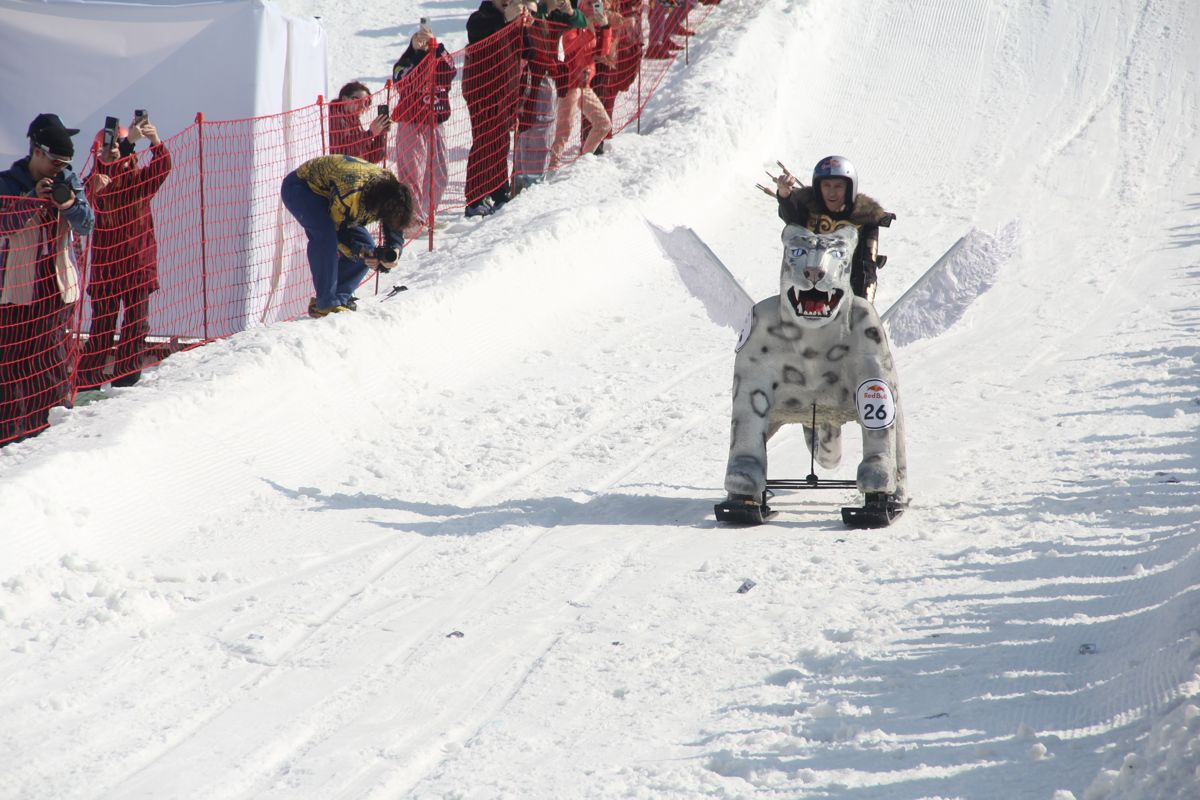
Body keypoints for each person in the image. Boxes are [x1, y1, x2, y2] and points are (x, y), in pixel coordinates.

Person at [0, 113, 94, 444]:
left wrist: (68, 203)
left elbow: (87, 224)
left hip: (56, 286)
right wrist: (30, 202)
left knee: (49, 359)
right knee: (10, 364)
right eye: (55, 161)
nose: (60, 168)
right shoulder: (7, 183)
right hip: (15, 289)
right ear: (37, 151)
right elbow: (3, 226)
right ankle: (9, 440)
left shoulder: (70, 181)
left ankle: (51, 436)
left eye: (66, 162)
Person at [79, 116, 172, 388]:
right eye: (110, 146)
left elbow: (162, 168)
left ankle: (125, 383)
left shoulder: (140, 180)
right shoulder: (97, 180)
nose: (116, 150)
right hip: (108, 268)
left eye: (119, 145)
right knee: (102, 330)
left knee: (136, 327)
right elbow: (105, 186)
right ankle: (87, 383)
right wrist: (130, 143)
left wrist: (155, 141)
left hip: (137, 265)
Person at [280, 154, 412, 317]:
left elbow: (393, 219)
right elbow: (336, 232)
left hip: (333, 198)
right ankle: (326, 303)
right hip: (302, 189)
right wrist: (361, 252)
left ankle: (339, 298)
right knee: (325, 236)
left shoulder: (390, 190)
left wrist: (395, 248)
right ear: (379, 206)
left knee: (368, 247)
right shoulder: (351, 193)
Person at [773, 155, 895, 301]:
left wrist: (863, 309)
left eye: (838, 186)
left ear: (849, 188)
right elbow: (792, 218)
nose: (831, 192)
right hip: (803, 292)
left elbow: (866, 269)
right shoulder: (808, 208)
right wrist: (785, 195)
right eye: (826, 185)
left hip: (842, 298)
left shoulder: (865, 218)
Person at [391, 20, 457, 234]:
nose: (422, 42)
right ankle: (411, 220)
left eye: (425, 38)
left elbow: (451, 71)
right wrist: (420, 55)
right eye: (417, 38)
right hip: (411, 123)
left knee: (440, 172)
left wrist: (437, 48)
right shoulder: (403, 64)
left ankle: (427, 215)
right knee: (412, 173)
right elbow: (408, 82)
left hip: (435, 123)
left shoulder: (439, 57)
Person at [462, 0, 526, 217]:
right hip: (482, 92)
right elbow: (476, 30)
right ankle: (474, 198)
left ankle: (500, 192)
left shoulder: (511, 21)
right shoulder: (480, 18)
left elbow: (530, 52)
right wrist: (505, 18)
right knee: (484, 142)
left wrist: (523, 24)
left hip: (505, 91)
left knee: (500, 142)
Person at [547, 0, 613, 171]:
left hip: (584, 85)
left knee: (603, 123)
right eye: (590, 4)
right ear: (582, 7)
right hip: (570, 85)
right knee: (564, 132)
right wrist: (590, 30)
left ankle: (583, 162)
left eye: (597, 4)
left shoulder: (590, 27)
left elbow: (603, 53)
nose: (595, 8)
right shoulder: (572, 25)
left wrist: (605, 27)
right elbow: (569, 49)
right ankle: (552, 169)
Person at [329, 81, 391, 163]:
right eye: (358, 100)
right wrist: (370, 133)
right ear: (344, 99)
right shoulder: (336, 117)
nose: (362, 106)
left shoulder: (353, 118)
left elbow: (372, 158)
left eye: (366, 102)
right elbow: (343, 153)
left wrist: (380, 134)